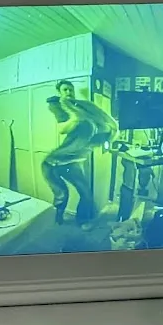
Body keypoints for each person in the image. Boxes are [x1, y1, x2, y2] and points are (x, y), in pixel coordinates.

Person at [41, 80, 118, 227]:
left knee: (86, 193)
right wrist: (75, 117)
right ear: (60, 93)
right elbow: (62, 129)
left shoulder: (85, 108)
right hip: (52, 163)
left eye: (71, 89)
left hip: (73, 163)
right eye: (65, 90)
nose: (69, 92)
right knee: (62, 195)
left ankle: (82, 220)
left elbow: (108, 126)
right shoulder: (61, 107)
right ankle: (57, 220)